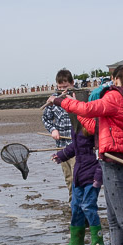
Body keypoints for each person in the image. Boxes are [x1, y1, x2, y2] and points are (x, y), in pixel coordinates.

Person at [50, 65, 123, 245]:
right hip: (114, 158)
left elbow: (88, 110)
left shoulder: (115, 97)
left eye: (114, 79)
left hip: (114, 160)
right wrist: (71, 107)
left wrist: (61, 101)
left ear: (117, 79)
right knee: (113, 218)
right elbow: (94, 124)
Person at [53, 112, 104, 245]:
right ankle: (76, 240)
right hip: (79, 174)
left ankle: (98, 241)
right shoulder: (76, 127)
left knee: (88, 206)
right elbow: (74, 147)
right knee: (76, 206)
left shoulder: (95, 128)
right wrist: (61, 155)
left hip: (92, 175)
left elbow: (102, 155)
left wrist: (98, 177)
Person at [43, 69, 76, 200]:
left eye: (66, 87)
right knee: (68, 177)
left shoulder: (78, 96)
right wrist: (53, 130)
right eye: (60, 87)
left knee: (77, 176)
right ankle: (72, 203)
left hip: (77, 145)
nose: (63, 90)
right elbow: (45, 118)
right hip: (61, 145)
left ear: (72, 83)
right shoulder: (53, 99)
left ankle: (81, 204)